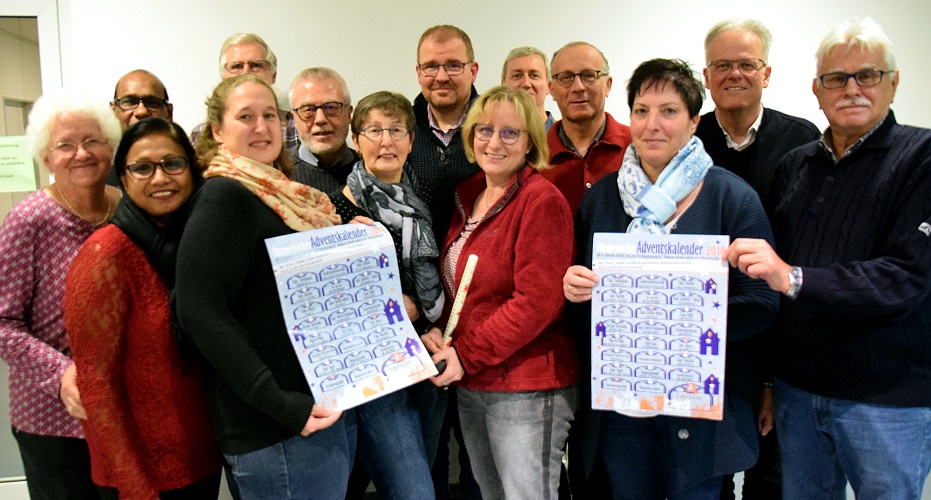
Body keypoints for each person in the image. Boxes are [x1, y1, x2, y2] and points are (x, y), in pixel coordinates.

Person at [726, 17, 931, 500]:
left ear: (893, 82)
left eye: (868, 75)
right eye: (836, 79)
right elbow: (770, 282)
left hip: (885, 402)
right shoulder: (796, 165)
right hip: (798, 392)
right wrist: (772, 381)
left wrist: (793, 278)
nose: (852, 89)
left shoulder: (922, 157)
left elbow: (904, 277)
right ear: (817, 90)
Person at [563, 59, 779, 499]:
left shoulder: (730, 195)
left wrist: (682, 324)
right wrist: (574, 290)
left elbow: (763, 303)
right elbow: (581, 305)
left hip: (700, 407)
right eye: (641, 111)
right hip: (622, 407)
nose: (652, 125)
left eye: (669, 111)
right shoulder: (602, 198)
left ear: (694, 120)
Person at [176, 74, 352, 499]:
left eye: (269, 115)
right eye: (246, 117)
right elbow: (200, 313)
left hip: (308, 415)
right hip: (275, 430)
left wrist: (350, 237)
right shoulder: (225, 196)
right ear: (217, 130)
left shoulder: (276, 193)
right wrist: (279, 402)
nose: (261, 127)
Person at [428, 86, 578, 500]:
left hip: (525, 386)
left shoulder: (540, 200)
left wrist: (465, 354)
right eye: (484, 130)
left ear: (531, 140)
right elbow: (464, 289)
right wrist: (441, 331)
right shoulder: (468, 195)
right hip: (476, 380)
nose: (494, 142)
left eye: (510, 133)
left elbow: (537, 302)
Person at [64, 117, 223, 500]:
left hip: (202, 455)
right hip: (142, 472)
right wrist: (135, 486)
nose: (160, 178)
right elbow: (96, 384)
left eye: (173, 163)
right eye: (142, 168)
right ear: (123, 175)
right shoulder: (106, 254)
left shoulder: (199, 243)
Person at [694, 19, 820, 500]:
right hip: (709, 330)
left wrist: (770, 374)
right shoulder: (690, 139)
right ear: (706, 76)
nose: (734, 75)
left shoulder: (801, 138)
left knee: (775, 474)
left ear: (766, 73)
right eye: (722, 65)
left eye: (746, 64)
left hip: (779, 326)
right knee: (712, 468)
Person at [0, 88, 122, 499]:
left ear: (109, 147)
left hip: (122, 410)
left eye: (91, 141)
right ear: (46, 158)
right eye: (65, 145)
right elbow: (2, 322)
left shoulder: (126, 211)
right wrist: (61, 374)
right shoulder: (28, 220)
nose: (81, 153)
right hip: (50, 419)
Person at [330, 90, 441, 500]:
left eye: (396, 130)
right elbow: (339, 301)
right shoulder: (337, 210)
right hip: (375, 371)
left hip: (428, 353)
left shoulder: (429, 197)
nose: (386, 141)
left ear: (412, 140)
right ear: (356, 139)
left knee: (423, 473)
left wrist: (427, 316)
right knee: (412, 490)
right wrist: (400, 307)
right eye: (374, 130)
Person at [410, 24, 481, 245]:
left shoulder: (495, 129)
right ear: (418, 73)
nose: (441, 77)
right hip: (416, 272)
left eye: (453, 66)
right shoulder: (400, 129)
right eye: (430, 66)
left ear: (473, 71)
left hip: (478, 267)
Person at [543, 41, 632, 212]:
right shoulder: (534, 157)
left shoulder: (637, 147)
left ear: (608, 85)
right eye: (566, 78)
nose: (578, 87)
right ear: (551, 89)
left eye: (589, 75)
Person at [190, 33, 297, 150]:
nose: (246, 73)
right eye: (237, 66)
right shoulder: (199, 135)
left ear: (273, 76)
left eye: (256, 65)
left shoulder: (296, 127)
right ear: (223, 78)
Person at [289, 67, 358, 192]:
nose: (320, 119)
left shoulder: (371, 172)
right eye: (308, 109)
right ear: (294, 119)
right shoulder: (275, 173)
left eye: (331, 107)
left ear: (349, 114)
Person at [501, 46, 555, 131]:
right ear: (503, 86)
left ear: (549, 86)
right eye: (517, 76)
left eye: (534, 75)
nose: (526, 83)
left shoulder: (565, 140)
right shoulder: (489, 139)